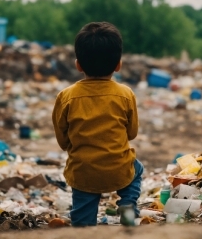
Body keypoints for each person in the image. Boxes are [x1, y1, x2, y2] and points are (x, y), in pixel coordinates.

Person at [52, 22, 143, 226]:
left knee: (82, 216)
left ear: (78, 64)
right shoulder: (125, 94)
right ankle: (128, 206)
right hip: (118, 170)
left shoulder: (66, 97)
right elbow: (132, 133)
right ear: (118, 64)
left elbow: (63, 140)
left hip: (83, 173)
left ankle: (84, 225)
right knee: (137, 169)